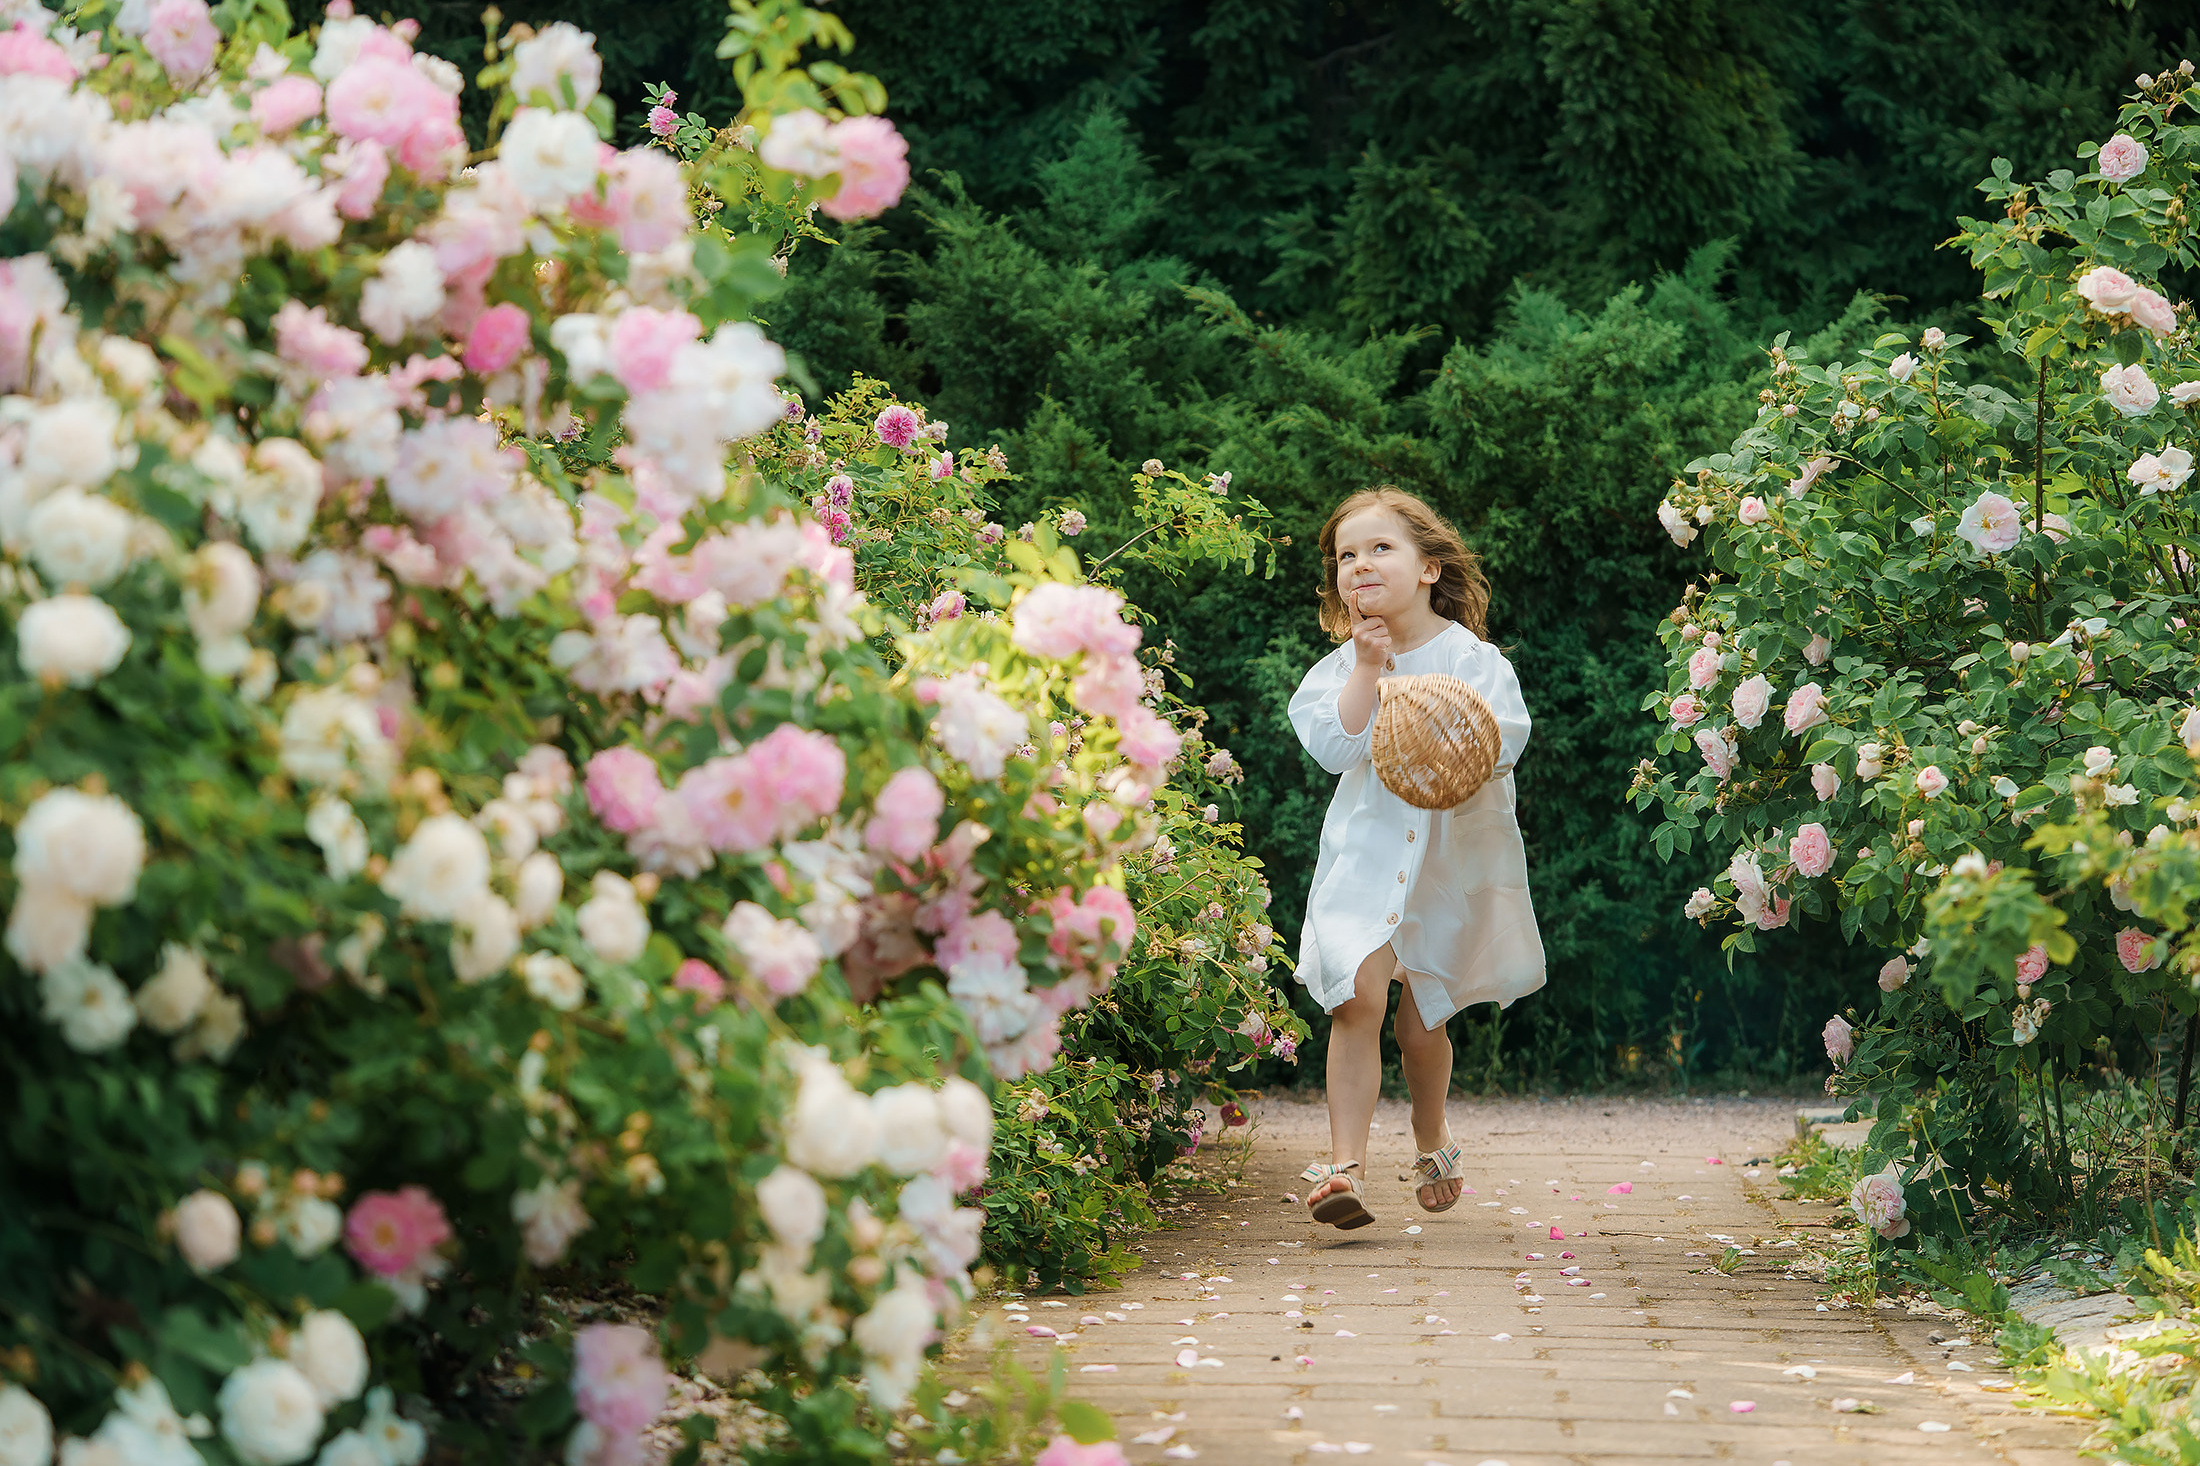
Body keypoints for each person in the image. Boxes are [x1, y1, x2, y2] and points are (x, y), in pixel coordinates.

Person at [1286, 485, 1546, 1230]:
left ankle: (1430, 1133)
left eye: (1379, 548)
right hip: (1365, 858)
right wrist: (1369, 671)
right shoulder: (1342, 666)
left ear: (1429, 567)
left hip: (1443, 863)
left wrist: (1442, 720)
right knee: (1356, 998)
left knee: (1418, 1021)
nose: (1359, 565)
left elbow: (1506, 737)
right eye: (1345, 555)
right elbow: (1335, 748)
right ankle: (1344, 1169)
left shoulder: (1471, 658)